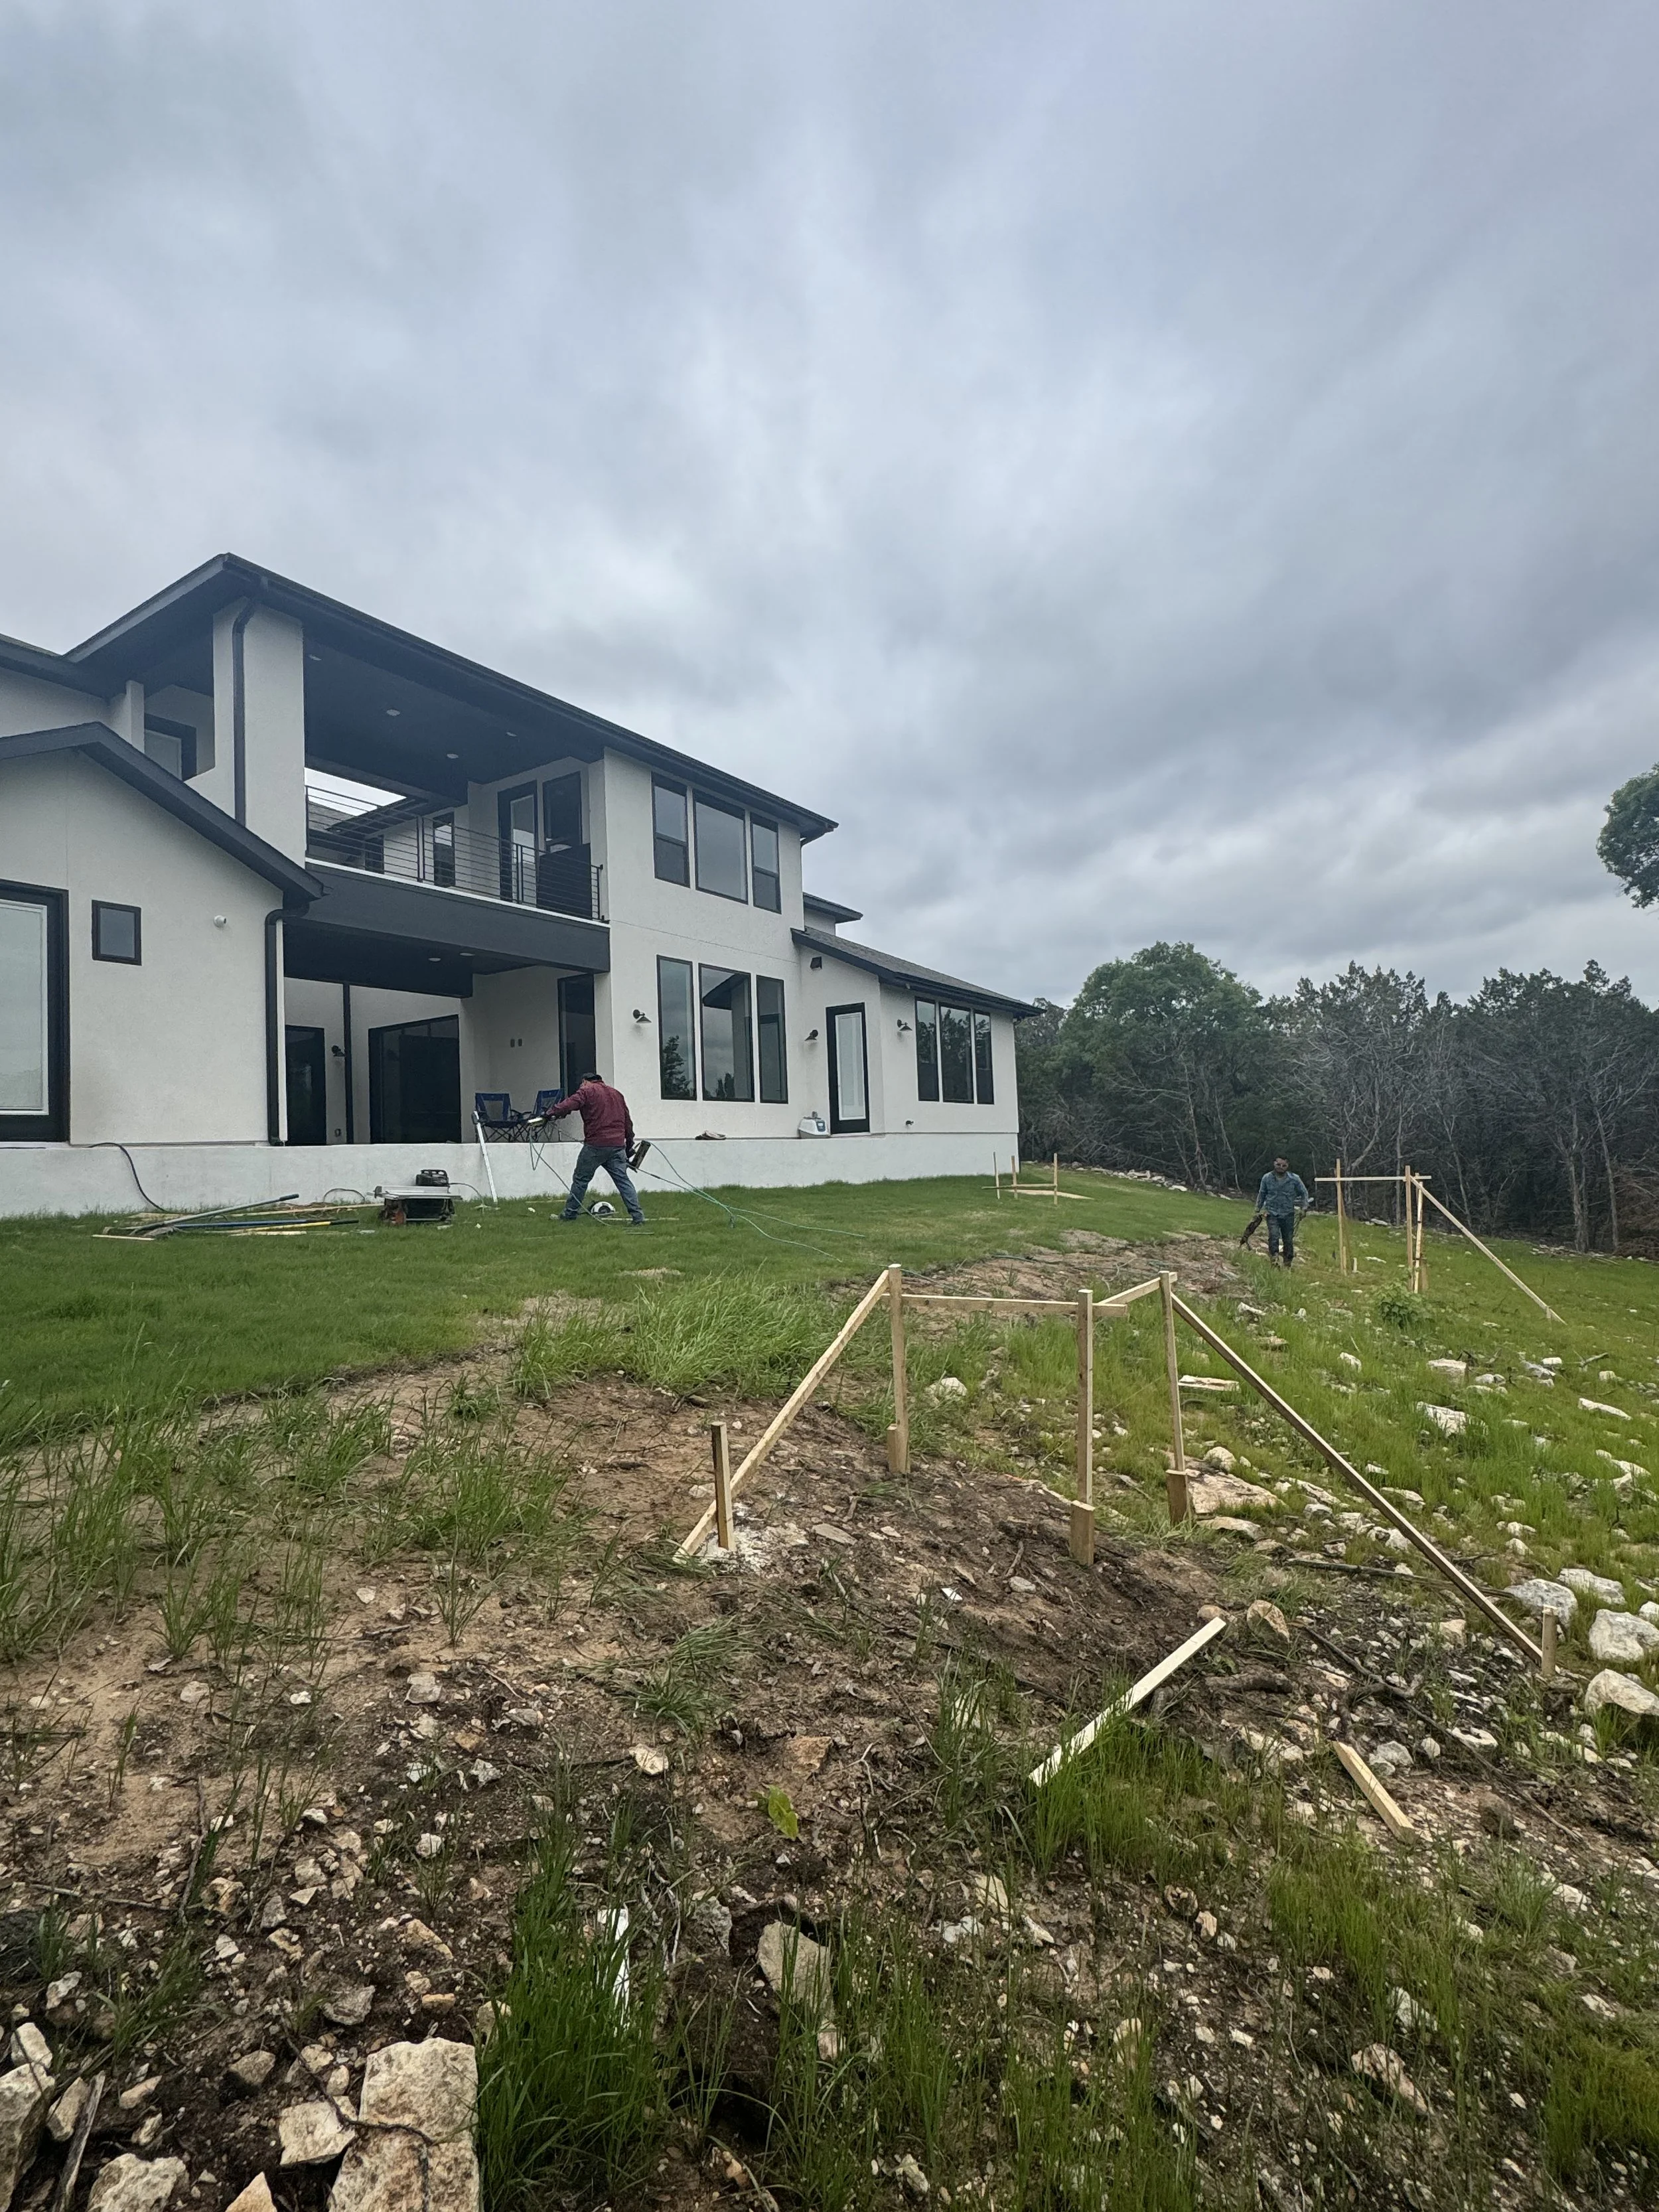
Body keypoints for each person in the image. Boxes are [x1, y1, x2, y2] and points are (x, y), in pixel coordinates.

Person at [546, 1072, 646, 1223]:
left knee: (581, 1179)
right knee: (623, 1181)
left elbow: (570, 1104)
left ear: (585, 1081)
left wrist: (550, 1113)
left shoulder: (587, 1090)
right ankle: (638, 1217)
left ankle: (570, 1214)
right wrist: (629, 1147)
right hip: (617, 1146)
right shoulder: (617, 1094)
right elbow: (628, 1123)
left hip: (595, 1146)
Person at [1255, 1155, 1309, 1266]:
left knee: (1288, 1239)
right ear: (1274, 1164)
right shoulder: (1267, 1178)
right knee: (1274, 1236)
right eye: (1278, 1165)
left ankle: (1288, 1262)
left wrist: (1304, 1208)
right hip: (1272, 1213)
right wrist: (1257, 1210)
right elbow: (1262, 1194)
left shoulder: (1294, 1179)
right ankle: (1274, 1259)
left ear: (1287, 1166)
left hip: (1288, 1213)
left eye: (1284, 1165)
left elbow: (1304, 1193)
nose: (1281, 1167)